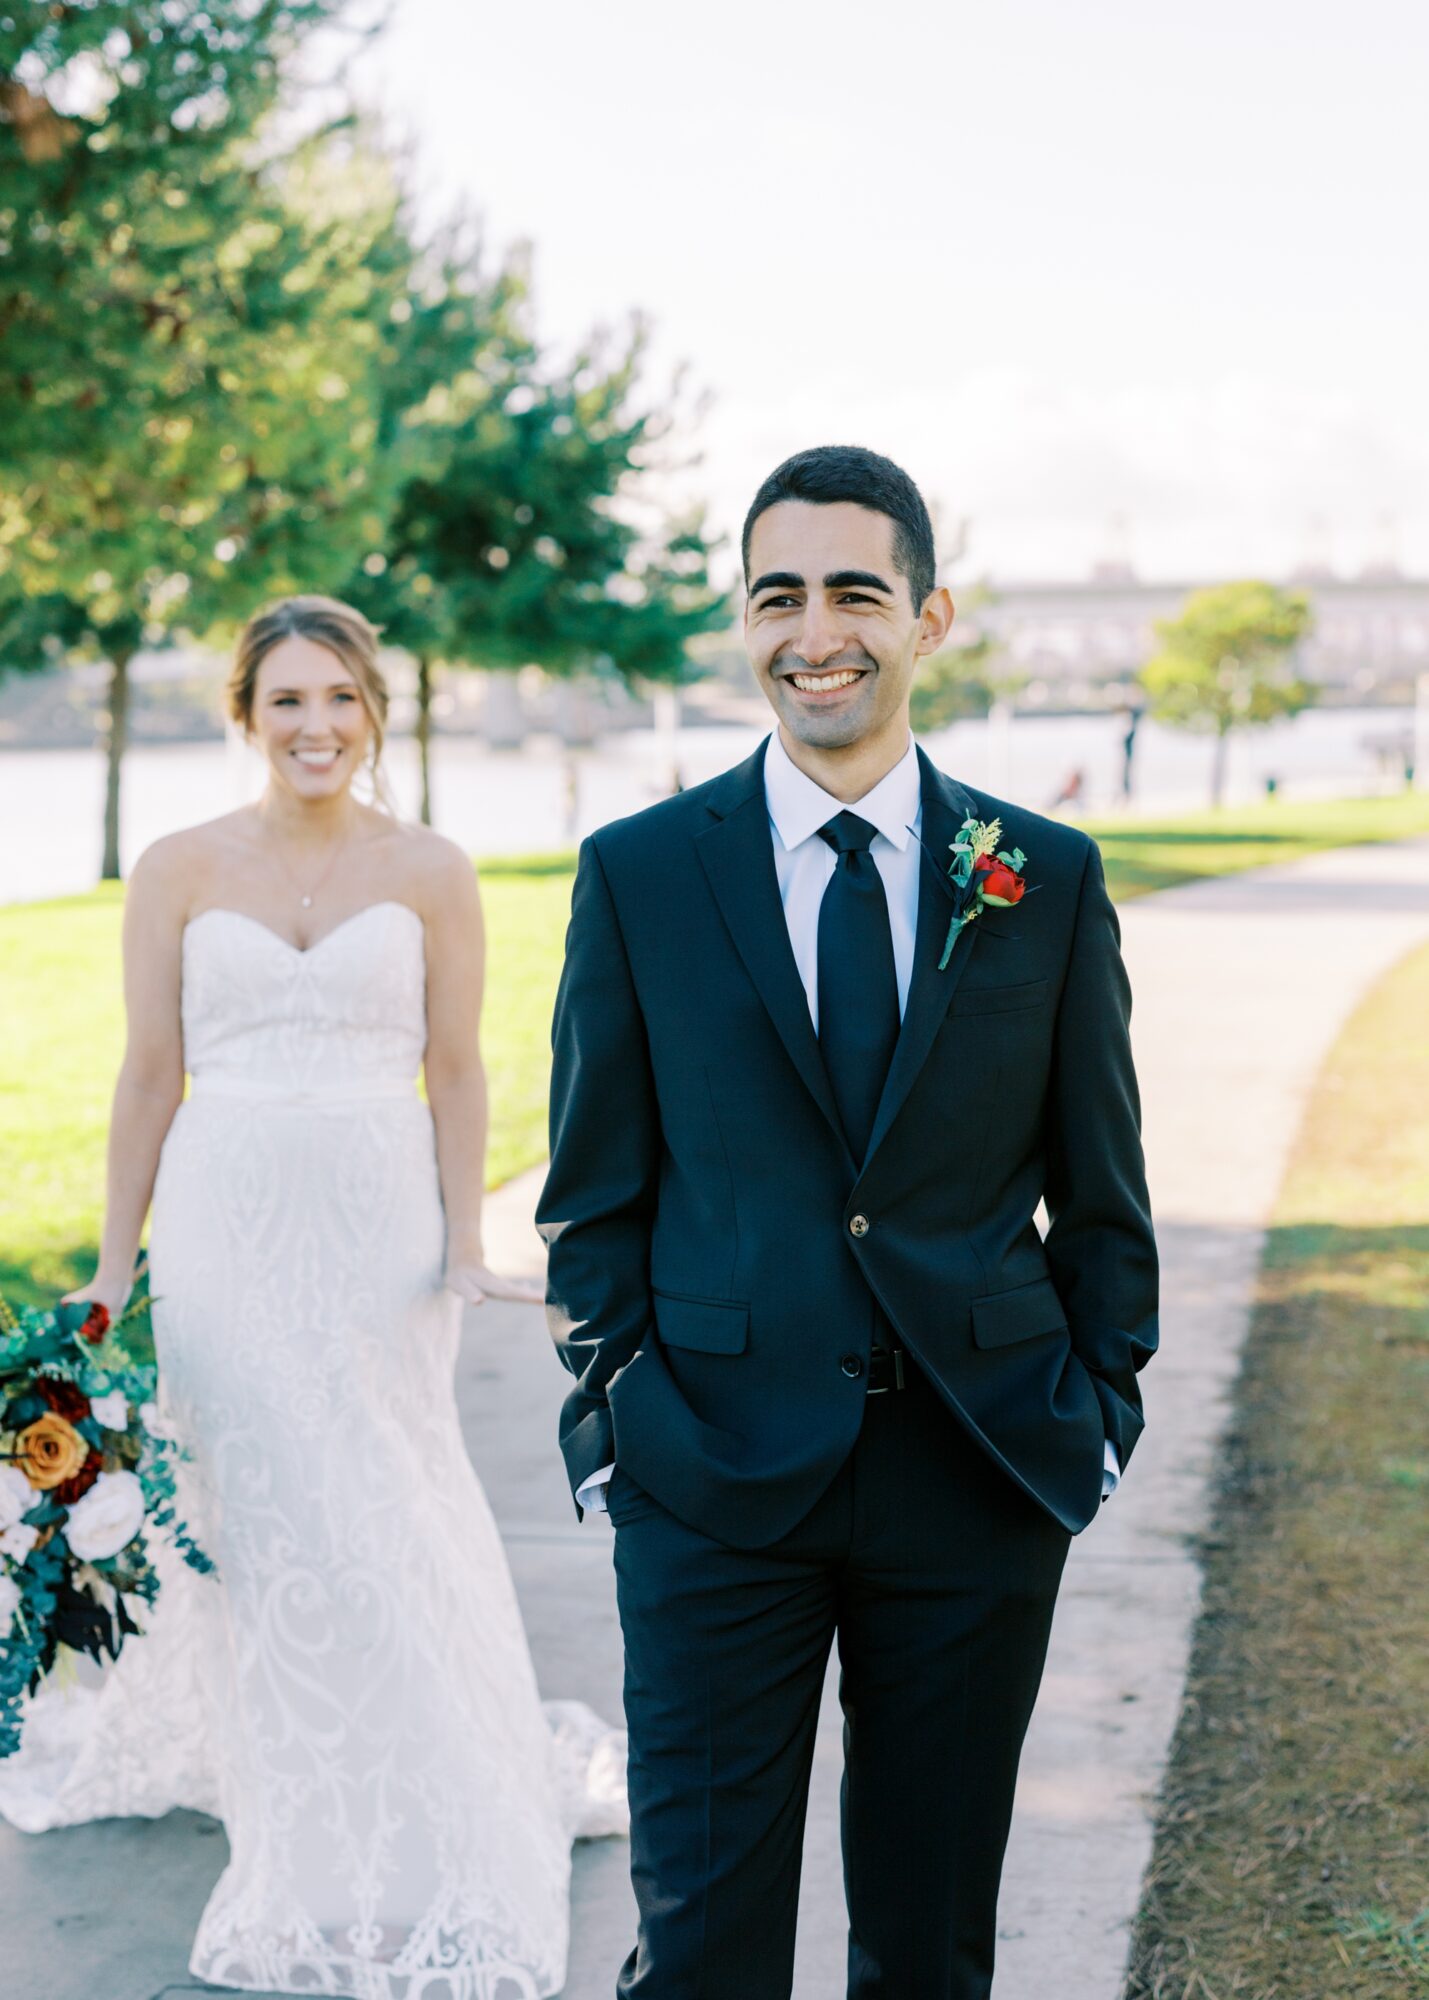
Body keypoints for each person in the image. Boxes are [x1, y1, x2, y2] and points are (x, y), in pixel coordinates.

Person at [538, 446, 1158, 1999]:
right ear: (741, 626)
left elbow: (1102, 1194)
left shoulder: (1042, 879)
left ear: (927, 616)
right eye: (777, 595)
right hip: (708, 1476)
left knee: (929, 1947)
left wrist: (1095, 1412)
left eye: (854, 593)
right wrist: (620, 1410)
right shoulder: (638, 876)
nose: (816, 630)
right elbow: (591, 1193)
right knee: (699, 1949)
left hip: (977, 1467)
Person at [0, 596, 625, 1999]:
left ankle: (442, 1761)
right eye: (287, 701)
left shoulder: (432, 869)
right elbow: (148, 1071)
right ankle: (291, 1785)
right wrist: (115, 1260)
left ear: (376, 715)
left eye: (340, 699)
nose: (315, 727)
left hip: (374, 1223)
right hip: (222, 1219)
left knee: (385, 1487)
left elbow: (457, 1069)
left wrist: (463, 1241)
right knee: (256, 1498)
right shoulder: (174, 867)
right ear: (245, 714)